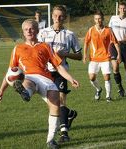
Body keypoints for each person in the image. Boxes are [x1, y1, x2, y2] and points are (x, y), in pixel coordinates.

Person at [0, 19, 79, 149]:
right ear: (23, 32)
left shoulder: (45, 46)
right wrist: (1, 90)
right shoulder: (18, 48)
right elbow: (10, 72)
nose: (29, 31)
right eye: (26, 29)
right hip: (28, 76)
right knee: (28, 83)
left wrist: (70, 78)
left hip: (46, 79)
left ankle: (50, 140)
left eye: (31, 28)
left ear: (37, 30)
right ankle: (25, 93)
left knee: (55, 103)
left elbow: (58, 66)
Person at [38, 5, 82, 143]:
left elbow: (79, 55)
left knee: (61, 101)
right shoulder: (43, 33)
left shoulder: (69, 34)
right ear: (52, 16)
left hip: (61, 72)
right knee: (52, 104)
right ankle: (69, 114)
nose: (58, 18)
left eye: (61, 16)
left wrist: (66, 54)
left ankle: (64, 133)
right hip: (45, 72)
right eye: (56, 15)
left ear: (64, 17)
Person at [83, 10, 121, 102]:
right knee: (92, 78)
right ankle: (98, 89)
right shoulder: (91, 30)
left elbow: (115, 43)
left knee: (107, 77)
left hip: (105, 58)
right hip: (94, 58)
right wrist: (84, 55)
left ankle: (108, 96)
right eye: (96, 19)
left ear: (102, 19)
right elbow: (86, 43)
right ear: (94, 20)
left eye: (99, 18)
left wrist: (119, 54)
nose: (98, 20)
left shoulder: (108, 30)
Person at [108, 2, 126, 97]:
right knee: (115, 67)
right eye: (121, 8)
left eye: (124, 8)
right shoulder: (113, 18)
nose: (122, 10)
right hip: (113, 46)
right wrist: (114, 41)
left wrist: (122, 40)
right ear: (118, 9)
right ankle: (120, 87)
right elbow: (109, 31)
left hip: (125, 46)